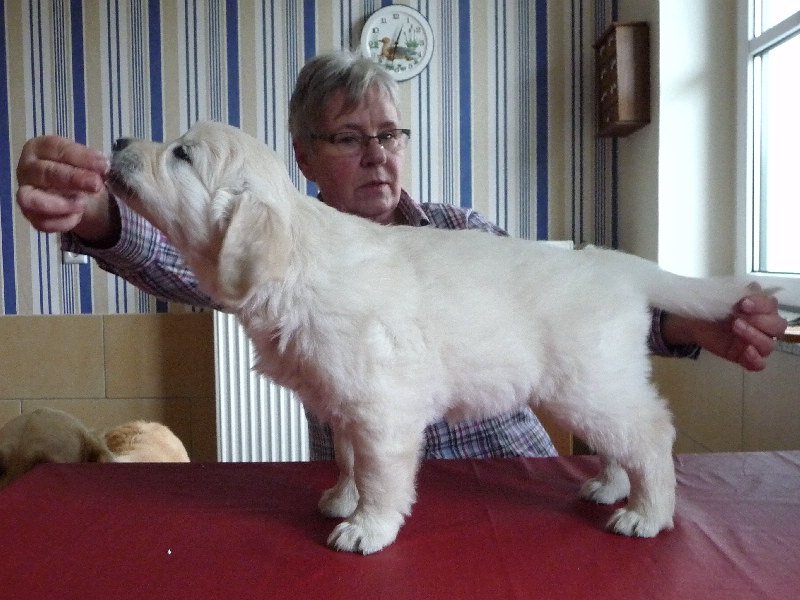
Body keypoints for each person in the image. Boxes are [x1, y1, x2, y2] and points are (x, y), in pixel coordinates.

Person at [16, 50, 787, 461]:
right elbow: (169, 256)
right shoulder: (272, 245)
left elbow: (570, 307)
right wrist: (95, 213)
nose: (378, 155)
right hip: (377, 485)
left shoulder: (458, 230)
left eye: (389, 135)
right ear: (303, 157)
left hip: (508, 470)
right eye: (350, 138)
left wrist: (686, 325)